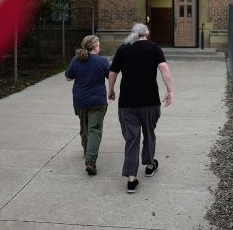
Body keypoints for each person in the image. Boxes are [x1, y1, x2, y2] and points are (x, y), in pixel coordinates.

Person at [108, 23, 173, 193]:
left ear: (133, 34)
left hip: (127, 103)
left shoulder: (123, 49)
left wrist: (111, 89)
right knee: (149, 132)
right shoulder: (154, 48)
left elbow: (113, 72)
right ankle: (150, 165)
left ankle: (131, 179)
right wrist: (170, 90)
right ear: (147, 34)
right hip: (150, 100)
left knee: (132, 139)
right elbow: (164, 67)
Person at [65, 35, 110, 176]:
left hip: (80, 100)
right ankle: (90, 160)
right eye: (99, 44)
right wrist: (112, 90)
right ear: (95, 46)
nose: (100, 47)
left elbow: (68, 77)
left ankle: (87, 152)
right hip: (97, 101)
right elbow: (111, 76)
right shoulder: (102, 61)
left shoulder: (76, 59)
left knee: (85, 128)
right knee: (94, 129)